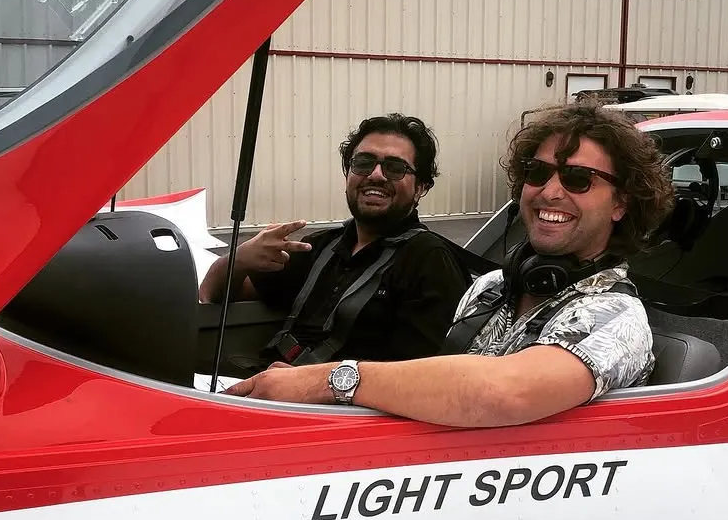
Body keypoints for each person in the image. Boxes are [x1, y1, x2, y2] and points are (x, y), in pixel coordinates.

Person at [225, 103, 674, 425]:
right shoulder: (492, 288)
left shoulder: (618, 319)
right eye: (537, 174)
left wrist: (323, 381)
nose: (550, 192)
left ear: (620, 204)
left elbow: (503, 392)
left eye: (578, 179)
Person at [199, 114, 471, 369]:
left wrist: (309, 386)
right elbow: (213, 294)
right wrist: (240, 259)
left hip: (337, 414)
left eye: (395, 168)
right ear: (347, 175)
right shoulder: (318, 248)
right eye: (363, 163)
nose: (376, 175)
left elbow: (423, 380)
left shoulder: (432, 263)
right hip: (269, 388)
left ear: (420, 188)